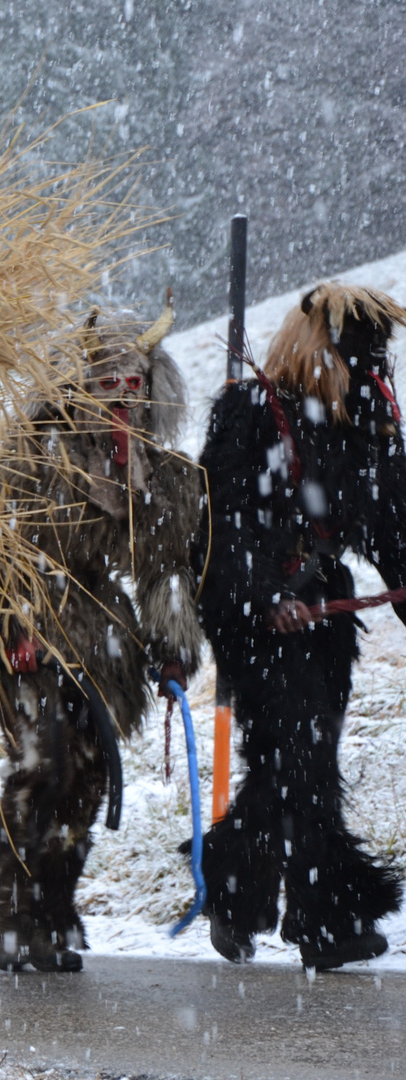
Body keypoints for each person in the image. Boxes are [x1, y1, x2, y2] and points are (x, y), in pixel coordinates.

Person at [0, 299, 203, 972]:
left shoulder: (156, 471)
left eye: (133, 382)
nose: (119, 395)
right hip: (27, 617)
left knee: (89, 774)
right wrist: (11, 621)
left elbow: (164, 569)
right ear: (81, 382)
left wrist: (173, 645)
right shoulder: (33, 448)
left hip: (100, 627)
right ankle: (7, 907)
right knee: (44, 762)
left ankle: (54, 906)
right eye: (106, 380)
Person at [194, 283, 406, 969]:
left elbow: (391, 524)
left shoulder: (365, 419)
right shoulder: (253, 411)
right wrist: (262, 596)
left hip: (323, 614)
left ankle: (234, 885)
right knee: (300, 760)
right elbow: (221, 521)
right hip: (256, 619)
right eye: (361, 351)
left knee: (296, 763)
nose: (374, 366)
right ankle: (325, 919)